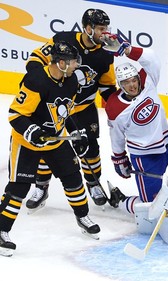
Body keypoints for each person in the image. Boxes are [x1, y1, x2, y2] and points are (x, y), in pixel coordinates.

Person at [0, 41, 100, 257]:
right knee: (18, 189)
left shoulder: (71, 80)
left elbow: (64, 113)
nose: (77, 65)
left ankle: (82, 217)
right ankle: (1, 231)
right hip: (27, 143)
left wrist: (76, 133)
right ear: (61, 62)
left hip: (54, 140)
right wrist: (33, 132)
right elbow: (15, 114)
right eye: (74, 61)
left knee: (73, 179)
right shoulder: (36, 80)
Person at [25, 8, 117, 210]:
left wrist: (117, 105)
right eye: (101, 28)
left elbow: (107, 85)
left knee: (91, 148)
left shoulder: (106, 54)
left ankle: (93, 183)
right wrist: (39, 83)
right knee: (46, 144)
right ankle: (41, 186)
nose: (105, 32)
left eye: (106, 28)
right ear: (88, 28)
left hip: (83, 108)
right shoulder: (63, 39)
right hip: (54, 107)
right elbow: (35, 59)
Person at [103, 40, 168, 213]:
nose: (132, 85)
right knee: (151, 207)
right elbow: (117, 136)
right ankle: (120, 201)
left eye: (134, 80)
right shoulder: (115, 107)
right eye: (126, 82)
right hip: (145, 157)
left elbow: (152, 58)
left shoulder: (148, 81)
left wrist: (127, 50)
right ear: (120, 85)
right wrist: (119, 158)